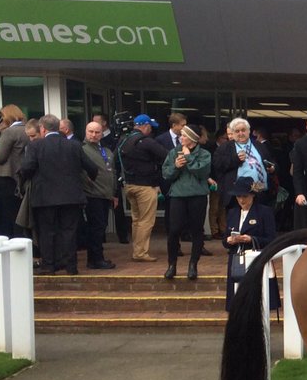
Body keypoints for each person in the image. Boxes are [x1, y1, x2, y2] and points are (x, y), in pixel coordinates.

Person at [19, 114, 99, 276]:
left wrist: (26, 181)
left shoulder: (36, 146)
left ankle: (49, 265)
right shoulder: (74, 146)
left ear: (42, 129)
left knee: (47, 232)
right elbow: (92, 168)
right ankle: (71, 265)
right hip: (71, 196)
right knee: (69, 231)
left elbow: (27, 169)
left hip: (44, 197)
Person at [161, 125, 212, 280]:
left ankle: (193, 265)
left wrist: (189, 158)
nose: (181, 137)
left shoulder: (204, 154)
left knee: (197, 230)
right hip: (178, 195)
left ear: (192, 139)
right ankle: (172, 265)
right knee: (174, 230)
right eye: (181, 135)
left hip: (197, 195)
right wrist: (176, 166)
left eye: (184, 135)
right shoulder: (173, 152)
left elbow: (202, 172)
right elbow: (166, 174)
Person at [223, 176, 278, 311]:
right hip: (237, 259)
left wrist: (251, 239)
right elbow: (224, 240)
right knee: (237, 297)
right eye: (238, 197)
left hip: (255, 258)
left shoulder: (264, 212)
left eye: (245, 196)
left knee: (257, 298)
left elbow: (271, 239)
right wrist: (229, 241)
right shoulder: (232, 213)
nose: (241, 200)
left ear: (252, 195)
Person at [118, 114, 167, 262]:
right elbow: (165, 155)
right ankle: (140, 253)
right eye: (150, 127)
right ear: (144, 126)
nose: (151, 130)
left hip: (129, 186)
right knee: (146, 221)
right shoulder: (146, 142)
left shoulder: (123, 140)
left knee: (137, 220)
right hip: (145, 186)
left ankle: (137, 250)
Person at [80, 120, 117, 270]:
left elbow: (112, 173)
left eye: (97, 132)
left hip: (106, 195)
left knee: (101, 228)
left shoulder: (106, 151)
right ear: (85, 132)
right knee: (95, 228)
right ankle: (95, 259)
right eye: (91, 131)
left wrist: (114, 194)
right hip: (92, 195)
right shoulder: (81, 149)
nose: (94, 135)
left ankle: (97, 258)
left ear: (102, 134)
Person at [212, 117, 271, 213]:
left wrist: (273, 168)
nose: (240, 133)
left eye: (243, 130)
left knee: (260, 222)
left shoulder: (259, 145)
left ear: (249, 131)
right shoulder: (225, 148)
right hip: (236, 196)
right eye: (237, 131)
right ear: (232, 133)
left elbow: (271, 161)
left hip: (260, 192)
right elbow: (218, 165)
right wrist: (236, 159)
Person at [0, 104, 28, 239]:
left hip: (6, 177)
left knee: (7, 216)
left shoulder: (9, 132)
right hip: (22, 177)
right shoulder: (28, 129)